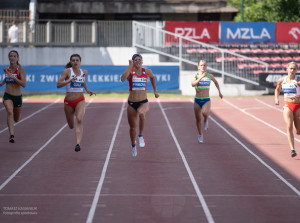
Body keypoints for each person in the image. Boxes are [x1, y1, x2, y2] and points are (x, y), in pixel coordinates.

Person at [121, 53, 159, 157]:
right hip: (132, 103)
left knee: (141, 114)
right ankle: (133, 146)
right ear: (133, 61)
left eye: (139, 60)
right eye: (135, 60)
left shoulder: (147, 71)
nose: (138, 61)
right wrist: (129, 66)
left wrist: (155, 91)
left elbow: (152, 78)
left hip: (143, 101)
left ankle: (141, 135)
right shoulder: (130, 72)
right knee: (132, 127)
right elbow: (122, 78)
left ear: (142, 61)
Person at [57, 54, 96, 152]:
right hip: (68, 101)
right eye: (73, 60)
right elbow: (58, 84)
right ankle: (72, 118)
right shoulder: (67, 71)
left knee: (79, 119)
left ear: (80, 62)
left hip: (80, 100)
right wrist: (69, 80)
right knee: (71, 125)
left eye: (77, 60)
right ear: (70, 62)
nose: (75, 62)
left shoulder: (84, 72)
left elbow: (83, 81)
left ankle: (78, 143)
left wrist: (87, 90)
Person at [191, 60, 223, 143]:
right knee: (198, 119)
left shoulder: (210, 76)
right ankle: (200, 134)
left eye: (204, 65)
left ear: (206, 67)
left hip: (206, 99)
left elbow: (216, 82)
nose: (203, 67)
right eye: (201, 65)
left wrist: (219, 92)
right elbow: (193, 84)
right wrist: (201, 77)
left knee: (205, 113)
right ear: (198, 67)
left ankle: (206, 120)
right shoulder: (195, 75)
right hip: (197, 100)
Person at [0, 50, 26, 143]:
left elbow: (24, 84)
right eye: (11, 56)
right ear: (8, 58)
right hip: (8, 95)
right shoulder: (5, 69)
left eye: (14, 56)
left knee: (17, 119)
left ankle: (12, 130)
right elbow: (6, 79)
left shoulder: (20, 69)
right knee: (10, 112)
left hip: (17, 97)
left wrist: (14, 77)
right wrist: (1, 84)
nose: (12, 57)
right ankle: (11, 135)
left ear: (17, 58)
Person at [275, 62, 300, 158]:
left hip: (298, 106)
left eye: (294, 69)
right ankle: (292, 149)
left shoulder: (298, 80)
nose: (292, 71)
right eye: (291, 69)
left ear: (296, 70)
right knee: (288, 126)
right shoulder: (282, 80)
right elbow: (277, 89)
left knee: (298, 132)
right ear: (287, 69)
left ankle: (295, 123)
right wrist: (276, 98)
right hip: (287, 105)